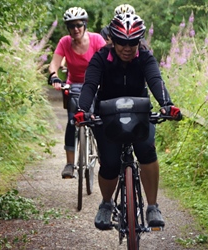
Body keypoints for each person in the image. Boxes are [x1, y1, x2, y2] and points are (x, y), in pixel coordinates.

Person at [74, 13, 182, 230]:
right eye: (122, 42)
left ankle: (152, 206)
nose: (127, 47)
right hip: (107, 116)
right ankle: (106, 204)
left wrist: (166, 104)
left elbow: (155, 80)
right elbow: (90, 85)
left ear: (139, 41)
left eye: (132, 42)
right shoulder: (101, 58)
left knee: (147, 152)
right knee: (111, 163)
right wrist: (82, 110)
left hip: (139, 113)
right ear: (112, 39)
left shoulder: (144, 57)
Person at [48, 7, 106, 178]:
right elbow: (54, 63)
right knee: (73, 121)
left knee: (96, 120)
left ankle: (104, 156)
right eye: (71, 26)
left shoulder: (96, 40)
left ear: (85, 24)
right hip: (74, 86)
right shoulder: (65, 42)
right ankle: (69, 164)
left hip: (95, 84)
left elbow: (107, 60)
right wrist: (54, 77)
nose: (75, 29)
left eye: (79, 25)